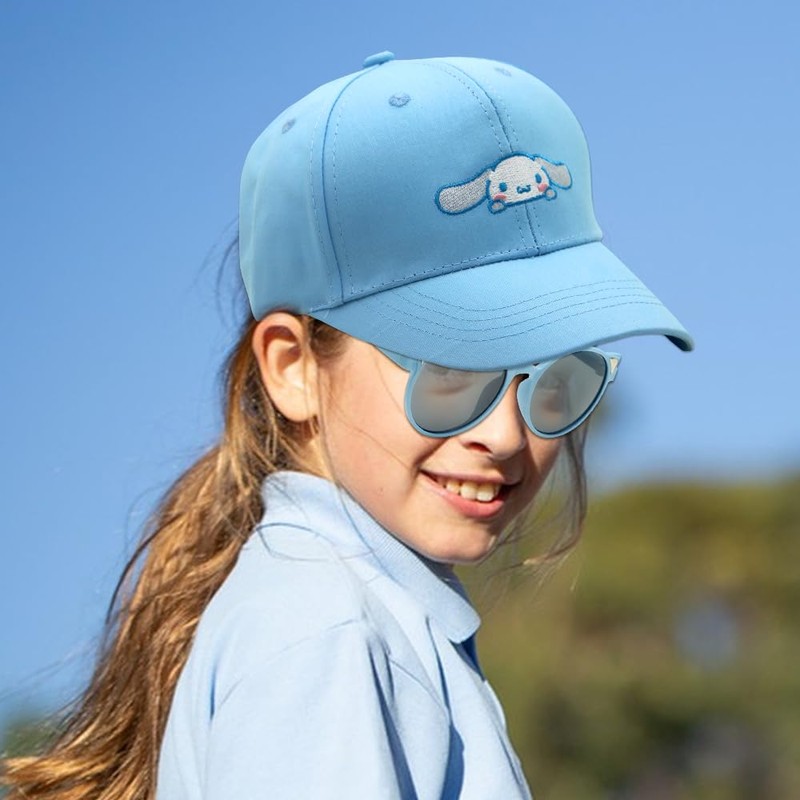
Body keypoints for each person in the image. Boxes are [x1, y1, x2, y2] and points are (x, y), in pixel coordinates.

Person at [1, 52, 692, 799]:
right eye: (449, 373)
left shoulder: (348, 619)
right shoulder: (325, 633)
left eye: (555, 379)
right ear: (292, 365)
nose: (503, 435)